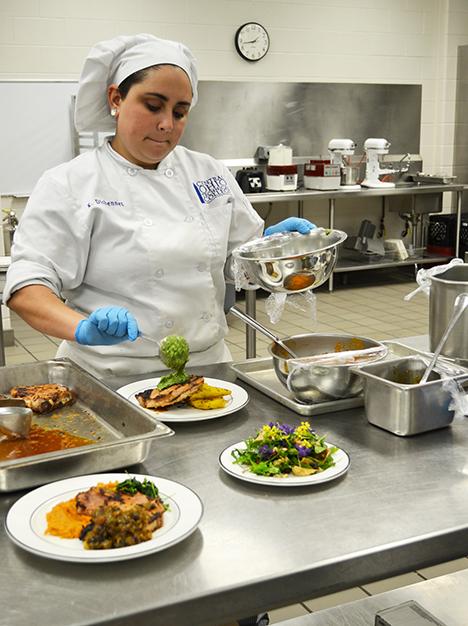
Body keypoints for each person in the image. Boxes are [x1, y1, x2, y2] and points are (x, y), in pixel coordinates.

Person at [4, 33, 314, 379]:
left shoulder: (207, 171)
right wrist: (81, 327)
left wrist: (273, 246)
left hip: (209, 370)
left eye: (180, 112)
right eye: (153, 106)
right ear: (115, 98)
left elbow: (241, 258)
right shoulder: (71, 183)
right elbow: (27, 287)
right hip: (109, 373)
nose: (167, 124)